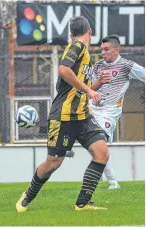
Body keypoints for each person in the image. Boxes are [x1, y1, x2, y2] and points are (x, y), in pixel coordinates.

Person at [16, 16, 110, 212]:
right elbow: (63, 70)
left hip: (82, 115)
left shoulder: (82, 54)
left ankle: (82, 204)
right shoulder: (77, 46)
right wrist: (90, 91)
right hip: (64, 116)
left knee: (101, 152)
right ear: (90, 32)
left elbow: (75, 88)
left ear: (70, 33)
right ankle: (26, 197)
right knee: (53, 163)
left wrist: (96, 84)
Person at [66, 35, 145, 189]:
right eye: (102, 49)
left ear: (116, 50)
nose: (103, 52)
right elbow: (90, 88)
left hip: (109, 112)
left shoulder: (127, 66)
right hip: (92, 108)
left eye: (106, 49)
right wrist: (98, 83)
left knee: (99, 143)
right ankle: (66, 146)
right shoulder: (98, 66)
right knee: (96, 144)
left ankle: (112, 181)